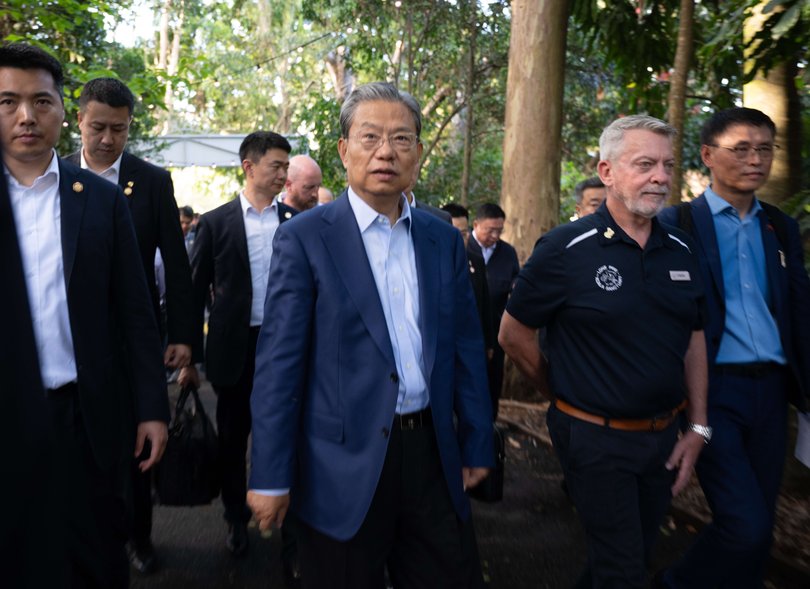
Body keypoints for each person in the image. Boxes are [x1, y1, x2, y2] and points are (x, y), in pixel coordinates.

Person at [247, 82, 494, 589]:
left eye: (402, 139)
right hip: (340, 463)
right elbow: (279, 367)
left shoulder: (442, 239)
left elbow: (466, 351)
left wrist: (476, 444)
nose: (386, 151)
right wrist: (270, 474)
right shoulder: (305, 238)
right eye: (370, 137)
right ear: (344, 150)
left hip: (429, 453)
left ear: (419, 153)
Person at [499, 114, 709, 589]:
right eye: (645, 164)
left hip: (663, 439)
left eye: (667, 165)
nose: (660, 176)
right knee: (623, 569)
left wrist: (697, 426)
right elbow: (513, 334)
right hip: (594, 440)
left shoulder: (681, 248)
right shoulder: (564, 248)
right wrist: (562, 392)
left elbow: (693, 336)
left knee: (630, 553)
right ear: (608, 171)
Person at [0, 42, 168, 587]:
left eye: (40, 101)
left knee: (95, 557)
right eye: (8, 102)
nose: (26, 116)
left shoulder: (99, 200)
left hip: (86, 417)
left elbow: (136, 312)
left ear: (60, 109)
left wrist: (151, 408)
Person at [657, 108, 810, 589]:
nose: (755, 160)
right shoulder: (677, 222)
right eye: (741, 149)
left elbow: (799, 311)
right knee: (747, 525)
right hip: (712, 391)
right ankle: (676, 583)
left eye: (765, 149)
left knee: (757, 526)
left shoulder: (781, 229)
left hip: (772, 391)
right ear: (708, 155)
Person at [66, 76, 194, 574]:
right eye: (97, 127)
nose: (106, 139)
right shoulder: (52, 177)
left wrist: (184, 336)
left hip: (132, 340)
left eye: (117, 130)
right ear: (79, 120)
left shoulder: (151, 181)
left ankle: (138, 538)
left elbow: (177, 267)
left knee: (137, 444)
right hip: (71, 340)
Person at [179, 132, 297, 566]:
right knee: (233, 436)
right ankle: (234, 518)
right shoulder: (217, 221)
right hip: (235, 346)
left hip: (285, 345)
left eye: (287, 167)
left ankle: (288, 513)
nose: (284, 174)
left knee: (288, 428)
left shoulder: (294, 219)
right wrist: (187, 354)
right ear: (249, 167)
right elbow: (193, 291)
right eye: (276, 166)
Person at [468, 202, 519, 418]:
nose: (495, 236)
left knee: (492, 382)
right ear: (477, 224)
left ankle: (491, 426)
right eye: (491, 230)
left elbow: (516, 286)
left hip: (496, 330)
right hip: (468, 328)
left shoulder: (507, 253)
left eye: (500, 230)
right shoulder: (462, 246)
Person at [442, 202, 494, 354]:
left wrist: (488, 343)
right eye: (453, 233)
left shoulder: (476, 261)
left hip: (471, 342)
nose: (458, 239)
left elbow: (485, 304)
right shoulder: (427, 262)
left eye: (463, 234)